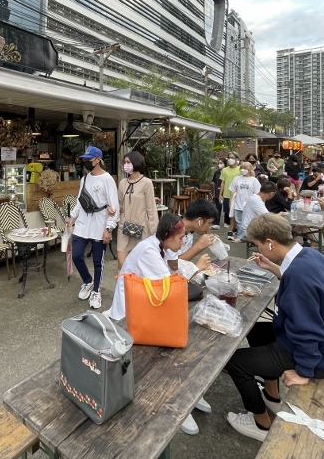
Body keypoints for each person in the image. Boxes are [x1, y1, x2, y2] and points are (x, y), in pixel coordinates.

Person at [224, 214, 324, 441]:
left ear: (270, 242)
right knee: (256, 331)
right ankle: (272, 397)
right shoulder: (310, 255)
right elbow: (305, 287)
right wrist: (273, 267)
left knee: (235, 363)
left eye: (258, 245)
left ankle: (261, 423)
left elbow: (308, 331)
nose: (259, 250)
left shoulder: (297, 276)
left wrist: (304, 371)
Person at [108, 213, 213, 436]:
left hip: (147, 300)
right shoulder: (149, 250)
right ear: (168, 236)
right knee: (162, 355)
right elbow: (170, 287)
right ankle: (178, 405)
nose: (183, 241)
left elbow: (171, 274)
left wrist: (190, 268)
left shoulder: (160, 246)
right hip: (134, 307)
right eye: (180, 237)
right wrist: (197, 270)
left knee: (175, 345)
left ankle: (189, 394)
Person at [68, 146, 119, 310]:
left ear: (97, 160)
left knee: (98, 261)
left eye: (88, 159)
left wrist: (109, 228)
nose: (85, 162)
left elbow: (114, 206)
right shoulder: (84, 179)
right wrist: (71, 217)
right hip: (83, 223)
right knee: (76, 255)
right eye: (84, 159)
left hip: (99, 223)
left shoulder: (107, 179)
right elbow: (79, 201)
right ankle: (88, 281)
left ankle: (97, 291)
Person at [164, 198, 220, 302]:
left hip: (175, 279)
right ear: (199, 221)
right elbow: (173, 264)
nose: (210, 227)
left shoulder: (189, 232)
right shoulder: (173, 229)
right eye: (209, 223)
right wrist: (199, 246)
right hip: (163, 285)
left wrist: (203, 245)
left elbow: (182, 261)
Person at [117, 151, 158, 268]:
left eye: (128, 162)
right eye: (125, 162)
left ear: (136, 163)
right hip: (124, 227)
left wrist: (154, 231)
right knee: (122, 264)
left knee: (139, 265)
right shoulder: (123, 183)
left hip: (141, 228)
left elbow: (151, 208)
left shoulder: (147, 183)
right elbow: (119, 202)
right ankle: (121, 286)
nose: (126, 165)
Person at [229, 162, 261, 242]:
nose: (243, 170)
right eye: (242, 168)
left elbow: (257, 193)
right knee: (239, 221)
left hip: (249, 205)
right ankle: (241, 237)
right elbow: (232, 191)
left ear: (249, 170)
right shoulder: (237, 178)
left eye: (245, 168)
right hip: (238, 204)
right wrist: (230, 202)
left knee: (249, 222)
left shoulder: (254, 180)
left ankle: (250, 236)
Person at [218, 151, 241, 240]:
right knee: (228, 213)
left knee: (235, 213)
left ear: (236, 159)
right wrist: (220, 194)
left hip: (237, 195)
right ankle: (234, 228)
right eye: (229, 158)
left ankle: (233, 229)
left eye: (233, 158)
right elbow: (222, 182)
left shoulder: (240, 169)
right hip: (227, 195)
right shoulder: (224, 170)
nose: (230, 159)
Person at [211, 159, 224, 229]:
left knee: (227, 209)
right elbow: (213, 182)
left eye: (221, 163)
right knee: (217, 207)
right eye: (219, 163)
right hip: (217, 192)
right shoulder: (216, 173)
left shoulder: (226, 172)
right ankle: (216, 223)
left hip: (226, 192)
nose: (219, 164)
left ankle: (227, 222)